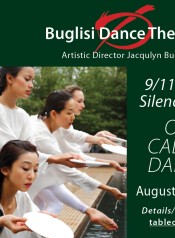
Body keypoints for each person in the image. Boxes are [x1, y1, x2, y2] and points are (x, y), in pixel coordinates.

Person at [0, 67, 121, 231]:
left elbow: (32, 155)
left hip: (15, 190)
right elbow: (11, 152)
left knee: (34, 224)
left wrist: (88, 210)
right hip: (6, 188)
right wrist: (55, 159)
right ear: (10, 78)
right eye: (27, 79)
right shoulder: (36, 128)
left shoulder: (22, 115)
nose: (31, 85)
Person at [29, 90, 126, 230]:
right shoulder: (41, 135)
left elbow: (75, 137)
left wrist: (99, 140)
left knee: (50, 207)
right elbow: (69, 168)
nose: (73, 117)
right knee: (37, 214)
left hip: (39, 178)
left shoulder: (51, 123)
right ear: (54, 113)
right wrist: (108, 188)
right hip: (21, 182)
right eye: (69, 112)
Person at [0, 140, 46, 238]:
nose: (32, 176)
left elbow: (41, 232)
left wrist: (44, 219)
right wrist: (1, 221)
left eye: (35, 170)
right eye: (25, 168)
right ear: (5, 169)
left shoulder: (22, 197)